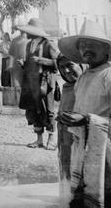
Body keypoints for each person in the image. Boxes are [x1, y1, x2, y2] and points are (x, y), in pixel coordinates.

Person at [57, 19, 111, 207]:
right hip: (84, 149)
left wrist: (87, 119)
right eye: (83, 46)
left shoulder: (108, 75)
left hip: (105, 151)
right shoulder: (83, 78)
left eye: (93, 45)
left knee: (104, 193)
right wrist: (71, 118)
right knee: (82, 194)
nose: (87, 49)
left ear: (106, 49)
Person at [16, 17, 59, 150]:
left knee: (49, 110)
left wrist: (42, 60)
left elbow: (59, 63)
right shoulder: (29, 45)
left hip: (45, 83)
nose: (26, 33)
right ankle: (39, 140)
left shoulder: (49, 44)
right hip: (31, 84)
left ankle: (51, 140)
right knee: (34, 110)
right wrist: (23, 64)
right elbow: (30, 64)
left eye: (28, 31)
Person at [55, 54, 84, 205]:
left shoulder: (88, 86)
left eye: (70, 65)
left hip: (83, 141)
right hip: (66, 139)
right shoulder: (66, 87)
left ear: (81, 65)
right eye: (61, 67)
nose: (66, 71)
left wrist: (82, 119)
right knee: (67, 168)